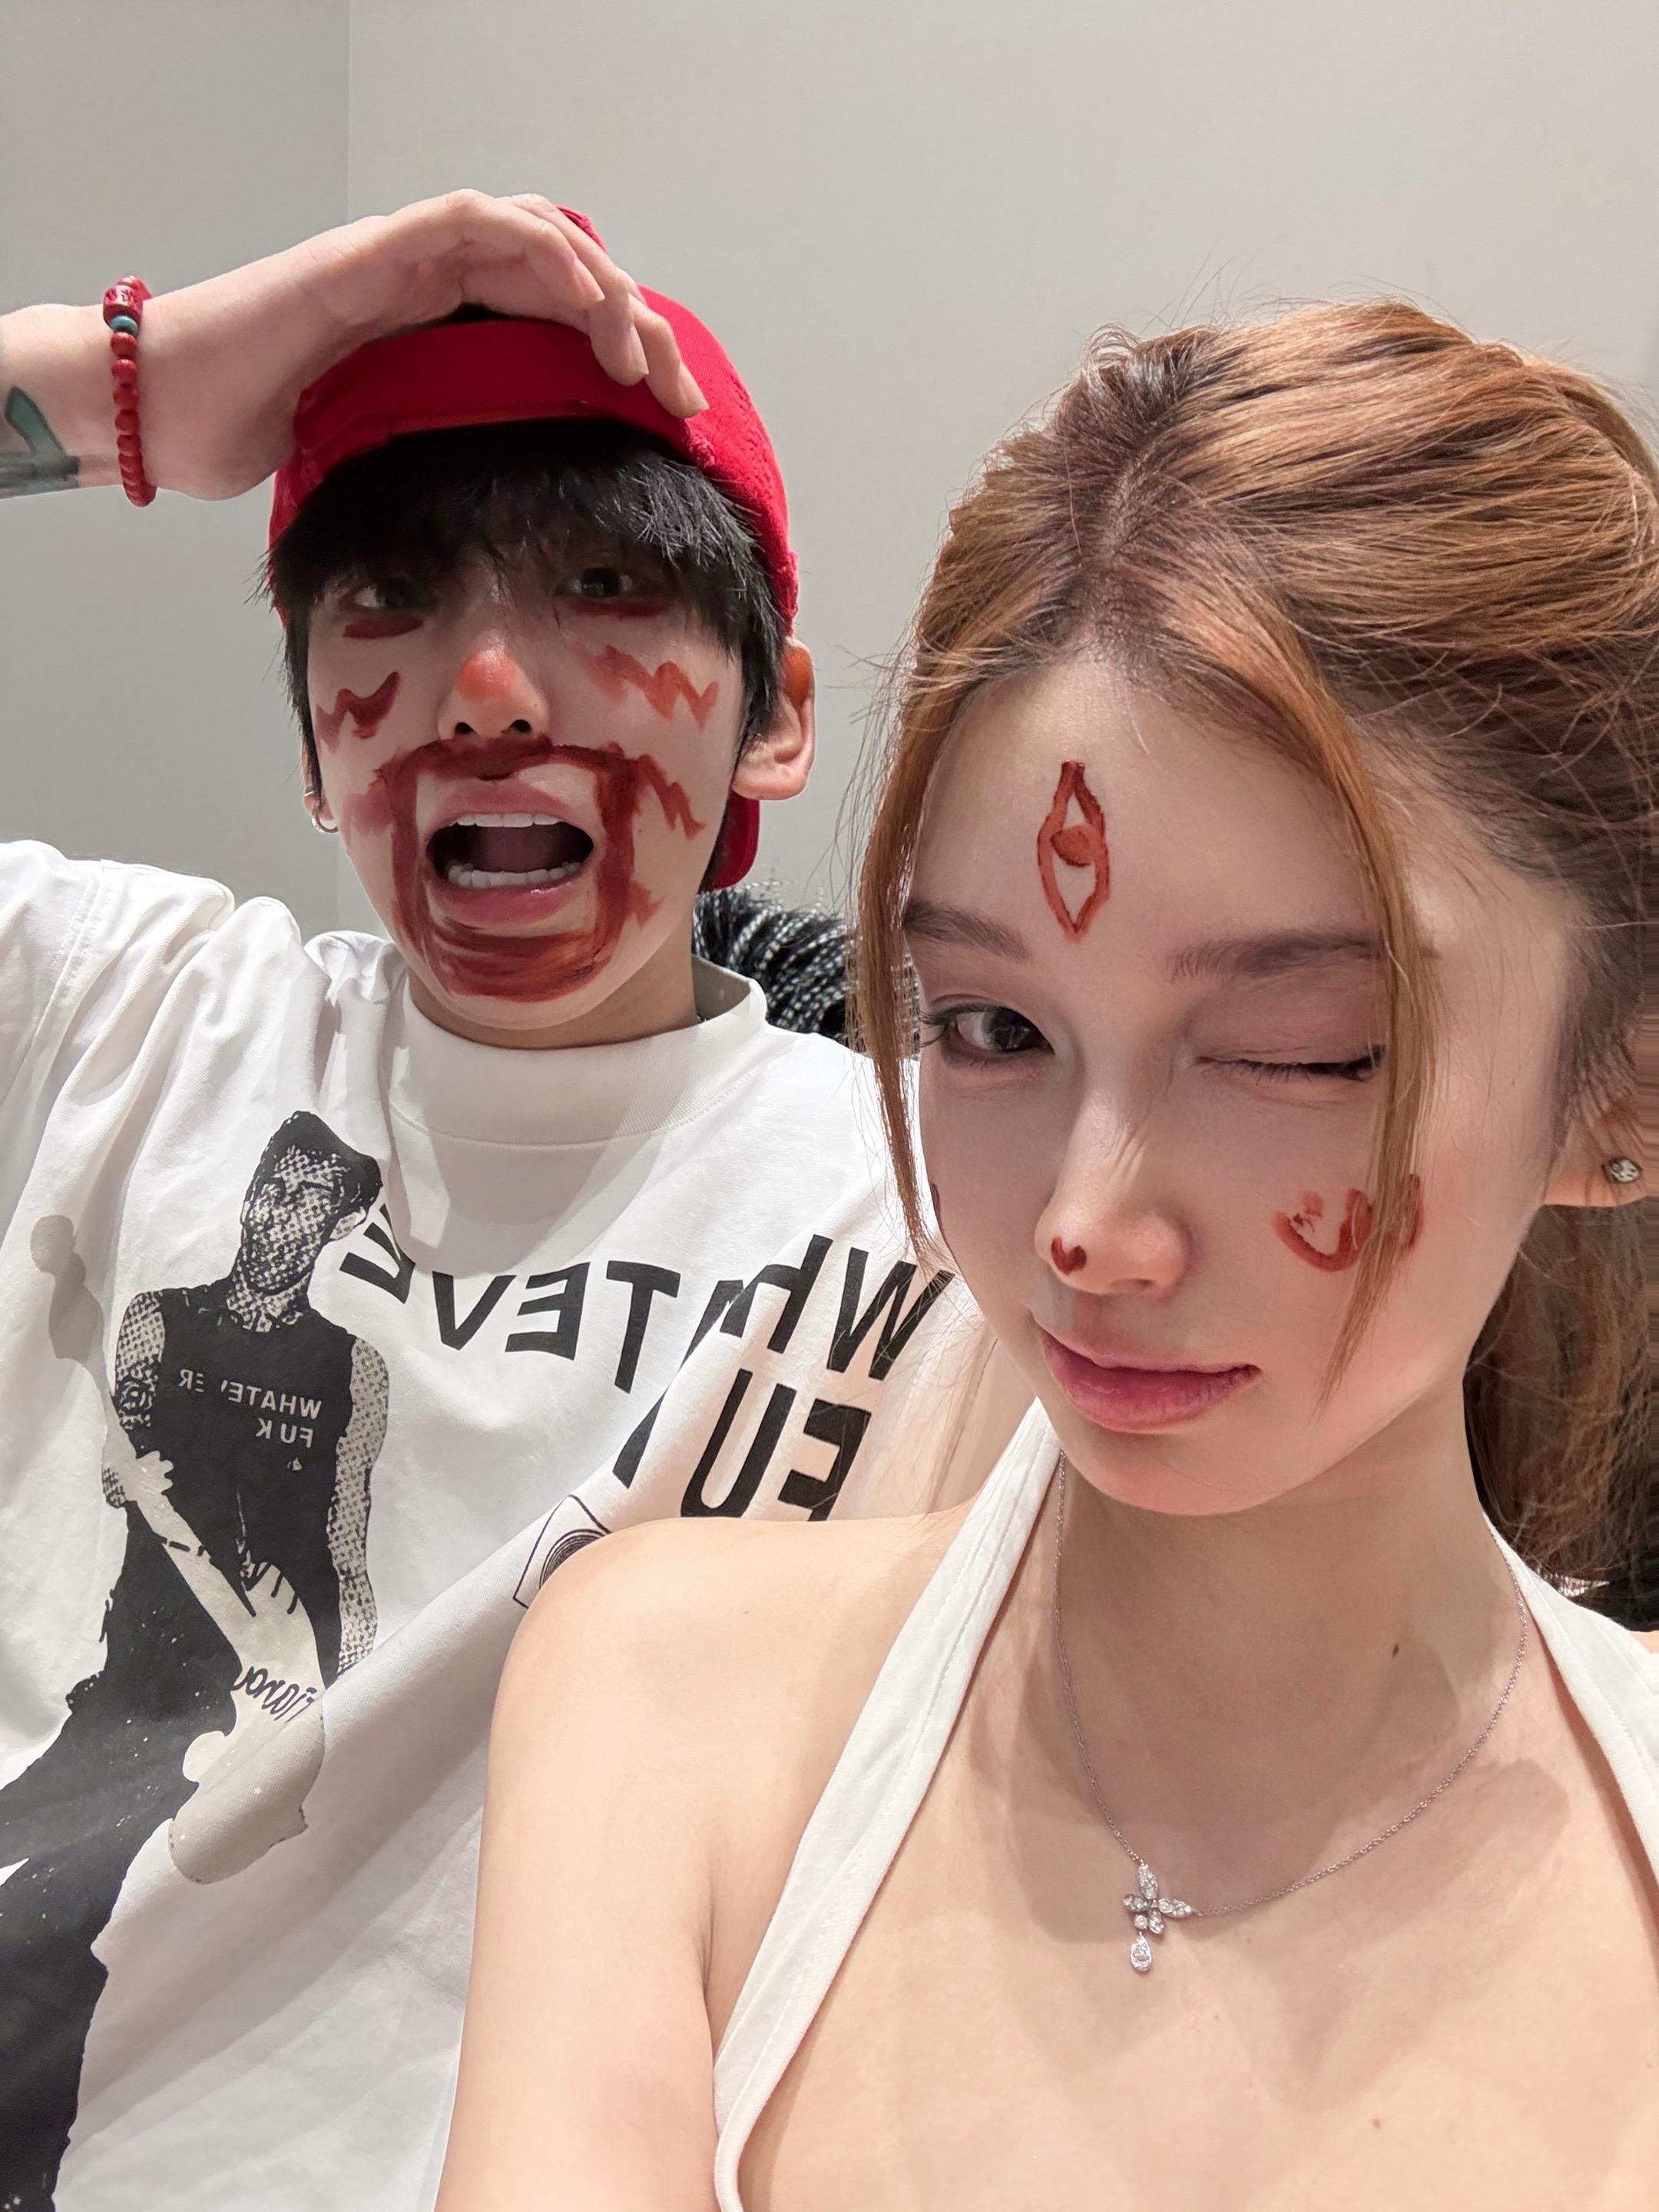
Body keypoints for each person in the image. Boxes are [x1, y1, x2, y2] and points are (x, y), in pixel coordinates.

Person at [441, 300, 1657, 2208]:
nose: (1087, 1221)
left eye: (1299, 1052)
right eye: (991, 1028)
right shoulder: (666, 1702)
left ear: (1622, 1080)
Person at [0, 194, 1021, 2210]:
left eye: (603, 581)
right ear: (313, 742)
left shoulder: (943, 1197)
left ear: (775, 717)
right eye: (388, 597)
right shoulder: (121, 1015)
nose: (481, 685)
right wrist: (128, 390)